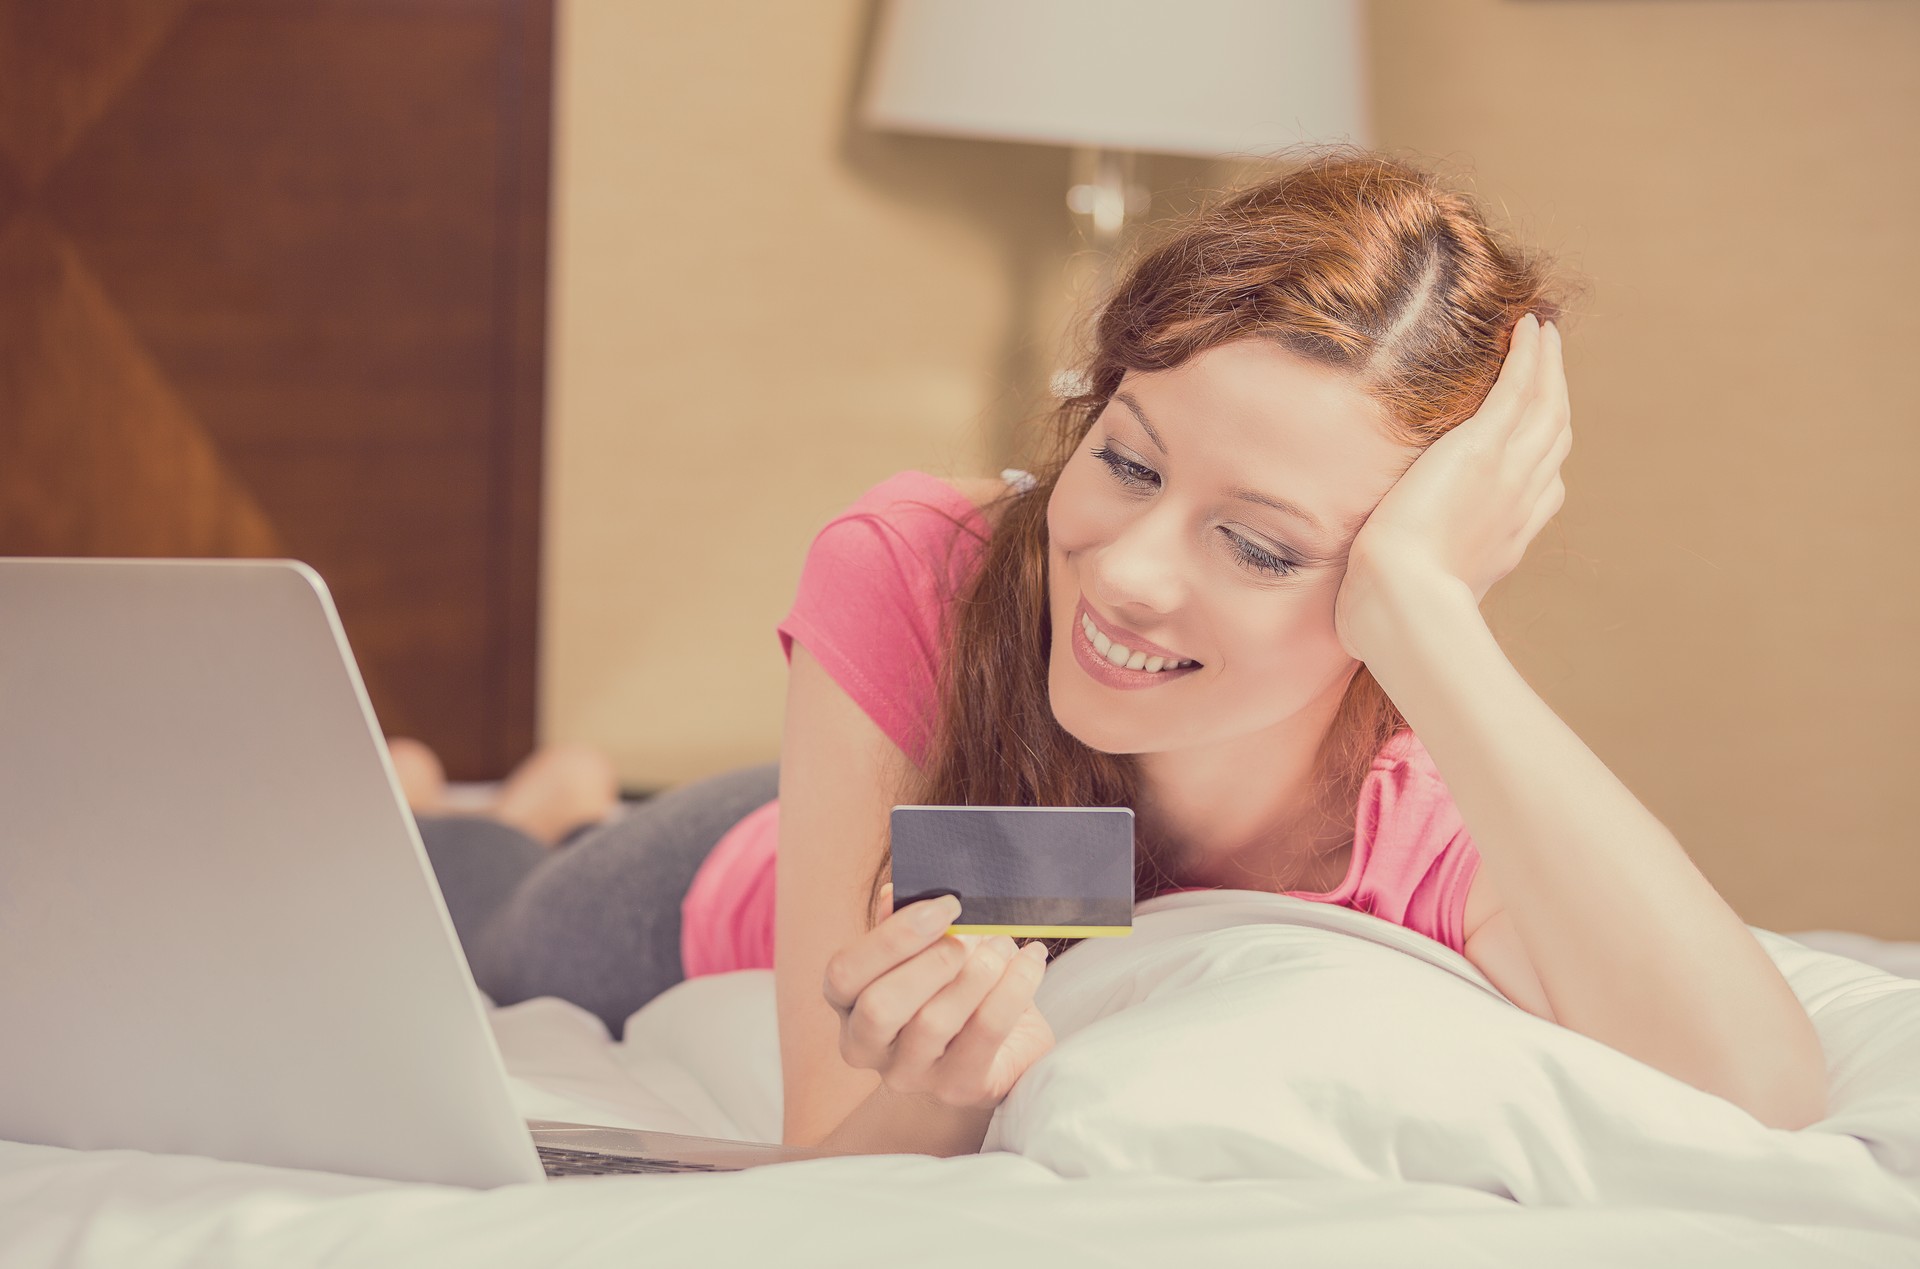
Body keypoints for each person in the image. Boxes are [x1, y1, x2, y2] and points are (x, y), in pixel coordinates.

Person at [415, 144, 1827, 1159]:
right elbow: (830, 1154)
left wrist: (1429, 614)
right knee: (494, 914)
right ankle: (510, 804)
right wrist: (936, 1093)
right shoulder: (922, 566)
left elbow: (1764, 1087)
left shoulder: (1411, 817)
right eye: (1130, 463)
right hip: (719, 866)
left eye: (1262, 546)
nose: (1130, 573)